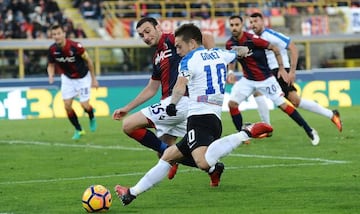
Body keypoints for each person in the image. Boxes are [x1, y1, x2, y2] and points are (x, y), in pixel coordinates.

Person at [114, 23, 273, 206]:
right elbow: (239, 52)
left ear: (191, 43)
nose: (178, 50)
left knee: (203, 162)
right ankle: (131, 193)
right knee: (167, 157)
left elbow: (180, 86)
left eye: (180, 46)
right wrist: (249, 47)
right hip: (213, 118)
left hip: (199, 118)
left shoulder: (188, 60)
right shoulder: (220, 54)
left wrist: (172, 104)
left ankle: (246, 132)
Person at [112, 17, 215, 179]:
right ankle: (213, 169)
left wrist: (211, 60)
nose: (145, 37)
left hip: (180, 101)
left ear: (158, 27)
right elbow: (151, 88)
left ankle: (164, 153)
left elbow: (207, 36)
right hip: (174, 106)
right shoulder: (157, 57)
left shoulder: (173, 39)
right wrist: (127, 108)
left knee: (129, 125)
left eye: (147, 31)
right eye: (141, 35)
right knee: (166, 154)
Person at [225, 15, 320, 146]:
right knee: (232, 104)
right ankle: (242, 135)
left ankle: (309, 130)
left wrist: (281, 68)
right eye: (232, 25)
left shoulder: (253, 39)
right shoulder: (230, 43)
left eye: (237, 25)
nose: (234, 27)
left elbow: (274, 48)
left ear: (242, 26)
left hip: (266, 79)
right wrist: (230, 72)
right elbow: (232, 58)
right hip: (248, 80)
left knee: (284, 106)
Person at [248, 12, 342, 132]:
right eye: (251, 22)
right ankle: (266, 127)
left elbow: (292, 47)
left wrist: (292, 71)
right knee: (257, 92)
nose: (253, 24)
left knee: (294, 101)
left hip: (280, 71)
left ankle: (332, 115)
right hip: (267, 72)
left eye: (256, 21)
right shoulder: (251, 36)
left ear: (263, 22)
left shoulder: (272, 35)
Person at [47, 23, 98, 140]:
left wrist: (94, 79)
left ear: (63, 34)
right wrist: (51, 75)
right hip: (67, 78)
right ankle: (79, 129)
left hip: (83, 78)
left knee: (84, 105)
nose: (57, 36)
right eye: (54, 34)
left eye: (58, 33)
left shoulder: (76, 46)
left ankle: (91, 116)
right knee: (67, 106)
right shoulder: (52, 49)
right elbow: (50, 65)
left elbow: (89, 61)